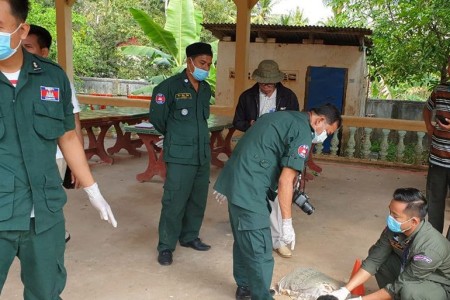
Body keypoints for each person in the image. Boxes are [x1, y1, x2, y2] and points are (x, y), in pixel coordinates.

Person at [0, 1, 117, 298]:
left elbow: (67, 136)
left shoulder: (52, 77)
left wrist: (93, 190)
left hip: (45, 214)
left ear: (21, 29)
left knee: (46, 292)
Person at [214, 104, 341, 300]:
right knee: (260, 248)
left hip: (238, 179)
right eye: (327, 132)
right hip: (249, 187)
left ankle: (246, 287)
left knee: (243, 238)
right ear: (319, 121)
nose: (324, 136)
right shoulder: (303, 133)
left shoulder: (285, 117)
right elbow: (285, 180)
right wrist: (287, 223)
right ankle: (261, 295)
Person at [149, 42, 213, 266]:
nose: (206, 67)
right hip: (179, 155)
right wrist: (177, 136)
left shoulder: (205, 89)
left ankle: (189, 236)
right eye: (202, 63)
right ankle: (166, 246)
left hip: (201, 154)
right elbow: (158, 119)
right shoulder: (169, 87)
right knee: (174, 201)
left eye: (209, 64)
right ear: (189, 62)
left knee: (197, 200)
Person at [329, 188, 450, 300]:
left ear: (413, 221)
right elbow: (374, 260)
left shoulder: (430, 249)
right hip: (411, 271)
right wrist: (344, 290)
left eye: (395, 216)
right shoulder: (394, 229)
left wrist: (361, 299)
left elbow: (403, 283)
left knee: (410, 291)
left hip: (440, 285)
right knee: (380, 258)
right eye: (390, 212)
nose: (390, 218)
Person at [232, 59, 300, 259]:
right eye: (263, 83)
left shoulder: (288, 97)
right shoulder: (247, 97)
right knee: (254, 193)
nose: (266, 87)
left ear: (277, 81)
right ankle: (257, 234)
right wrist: (250, 124)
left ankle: (278, 240)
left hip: (278, 153)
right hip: (253, 152)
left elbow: (295, 125)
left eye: (270, 83)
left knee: (278, 195)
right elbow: (237, 121)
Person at [23, 23, 84, 243]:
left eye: (28, 47)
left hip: (54, 156)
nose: (20, 51)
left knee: (48, 199)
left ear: (44, 52)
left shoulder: (57, 79)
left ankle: (55, 233)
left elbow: (73, 123)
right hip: (17, 155)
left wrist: (77, 164)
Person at [422, 56, 450, 234]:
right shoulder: (440, 90)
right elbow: (427, 108)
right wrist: (429, 127)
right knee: (434, 205)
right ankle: (435, 244)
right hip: (438, 159)